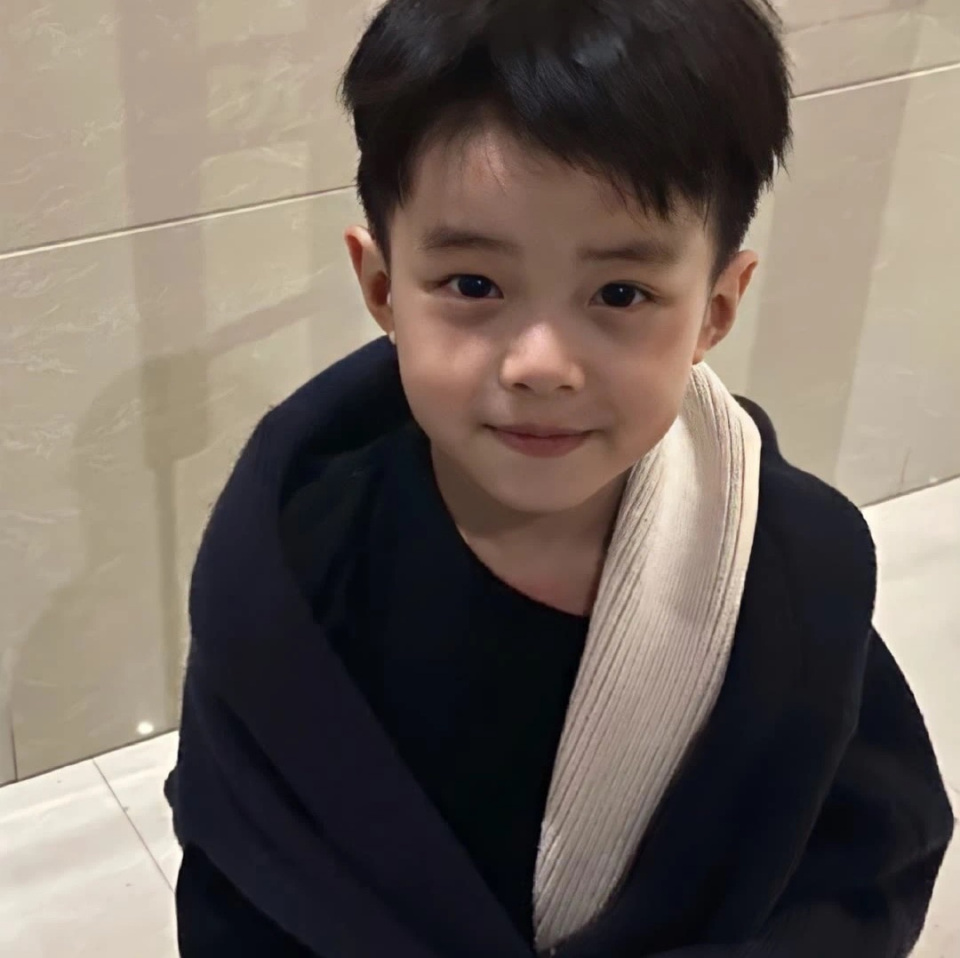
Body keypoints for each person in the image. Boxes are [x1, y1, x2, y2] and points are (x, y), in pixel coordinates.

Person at [166, 1, 954, 955]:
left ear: (715, 309)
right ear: (381, 288)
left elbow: (872, 850)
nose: (541, 363)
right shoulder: (289, 576)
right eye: (473, 285)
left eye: (621, 294)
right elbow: (242, 855)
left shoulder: (780, 568)